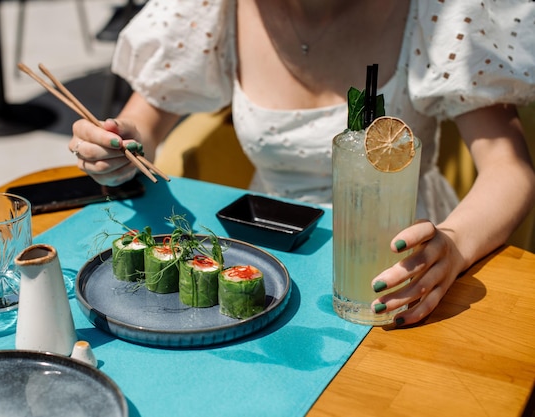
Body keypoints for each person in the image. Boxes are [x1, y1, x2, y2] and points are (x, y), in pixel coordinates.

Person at [70, 0, 535, 326]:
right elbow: (140, 126)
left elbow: (509, 169)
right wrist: (116, 147)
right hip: (269, 254)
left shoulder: (438, 8)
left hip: (393, 259)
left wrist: (452, 244)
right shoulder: (214, 8)